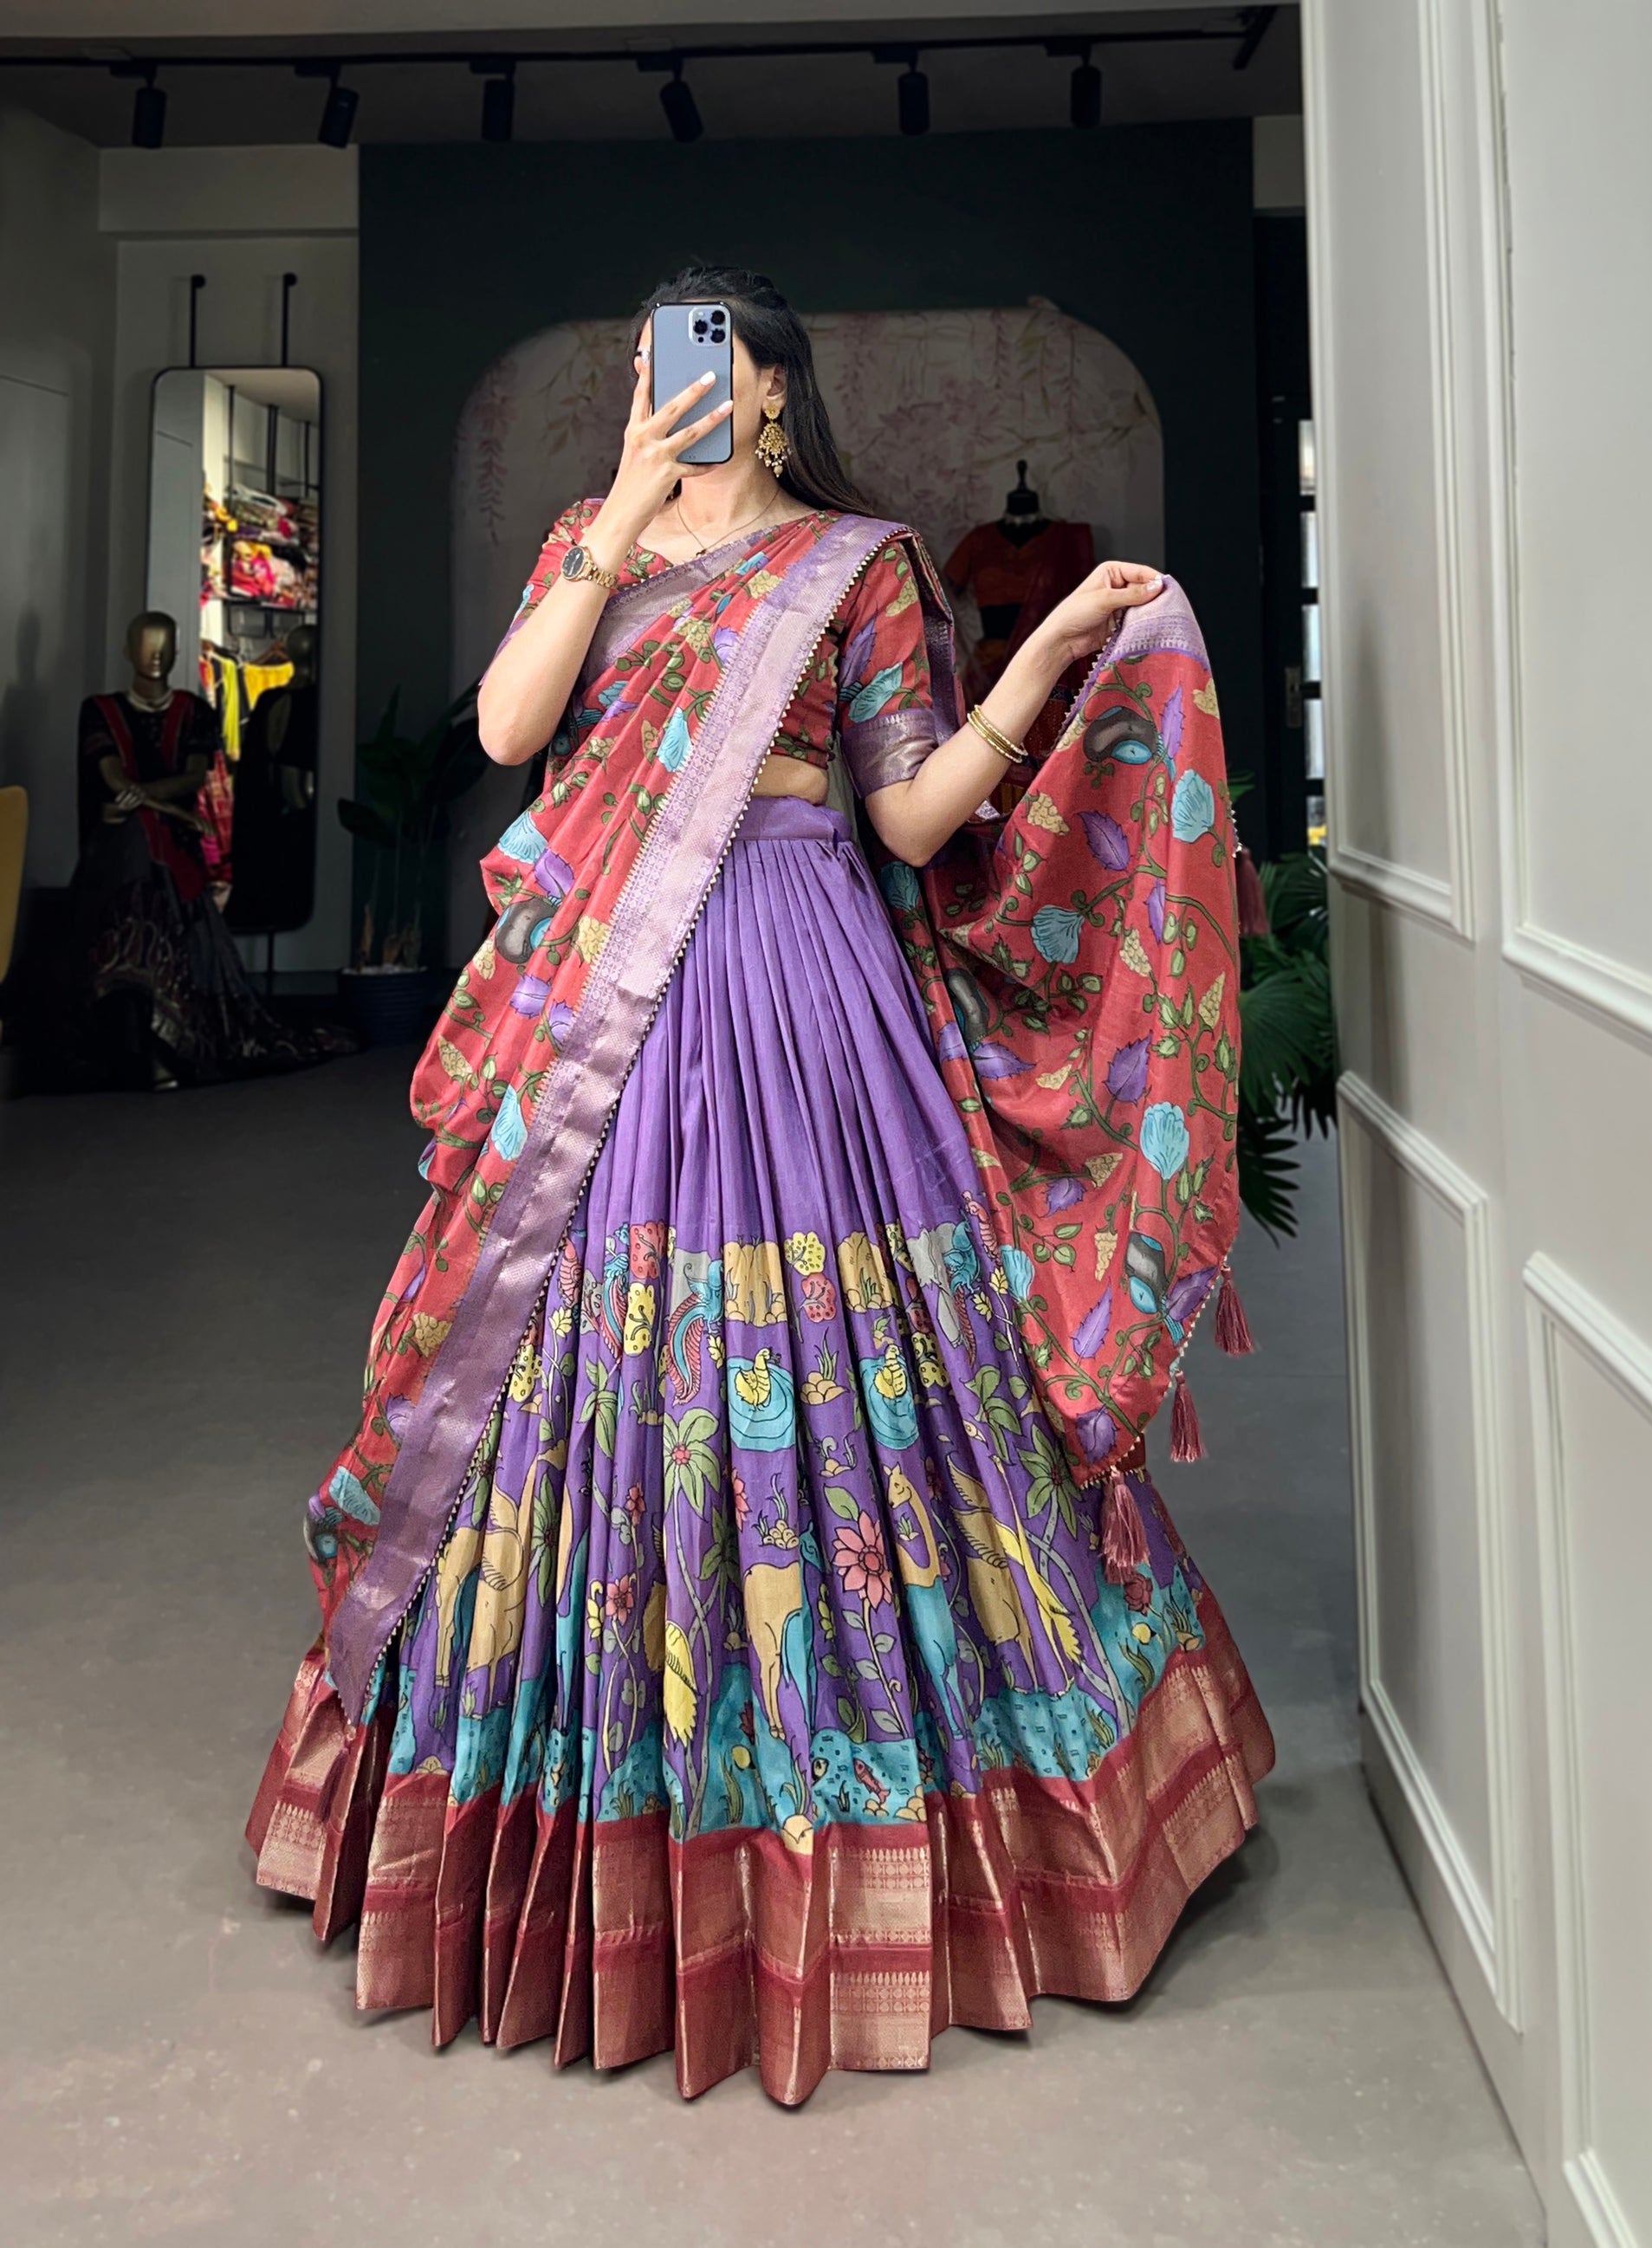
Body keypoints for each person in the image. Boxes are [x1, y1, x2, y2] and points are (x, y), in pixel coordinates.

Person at [248, 267, 1273, 2103]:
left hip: (806, 988)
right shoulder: (594, 543)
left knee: (865, 1376)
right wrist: (618, 520)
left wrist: (1045, 652)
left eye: (709, 361)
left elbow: (906, 815)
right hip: (610, 1018)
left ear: (778, 391)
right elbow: (510, 735)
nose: (680, 385)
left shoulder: (857, 566)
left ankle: (930, 1826)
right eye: (652, 363)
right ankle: (582, 1835)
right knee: (574, 1367)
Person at [68, 612, 347, 1089]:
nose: (156, 654)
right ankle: (134, 1038)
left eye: (165, 644)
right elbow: (110, 776)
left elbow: (193, 777)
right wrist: (152, 806)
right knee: (135, 851)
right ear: (129, 650)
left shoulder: (194, 711)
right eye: (146, 644)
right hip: (123, 848)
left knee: (147, 853)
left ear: (178, 650)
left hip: (171, 848)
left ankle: (160, 1041)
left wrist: (143, 799)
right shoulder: (100, 711)